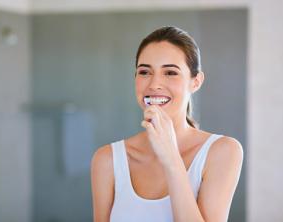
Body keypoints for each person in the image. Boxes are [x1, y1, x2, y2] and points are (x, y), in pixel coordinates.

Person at [90, 26, 243, 222]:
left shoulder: (222, 152)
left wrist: (171, 157)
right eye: (144, 72)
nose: (154, 84)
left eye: (170, 72)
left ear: (195, 82)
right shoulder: (107, 160)